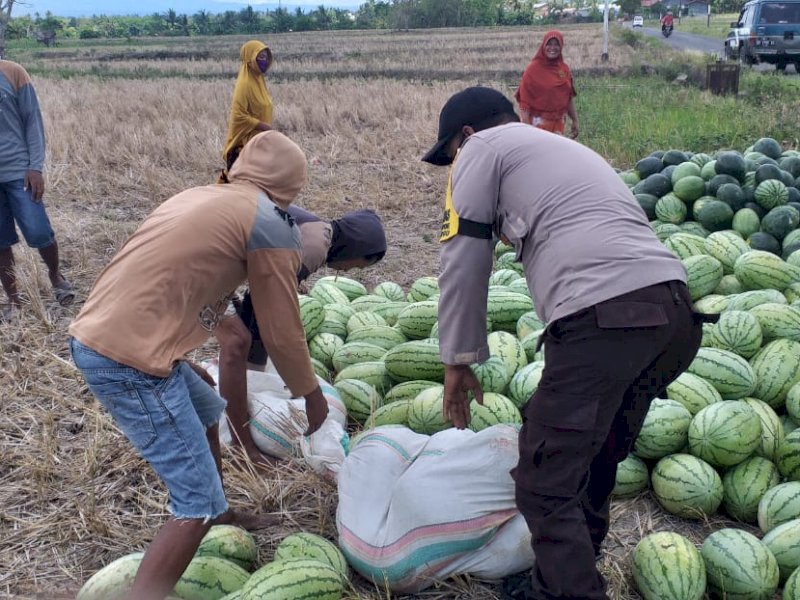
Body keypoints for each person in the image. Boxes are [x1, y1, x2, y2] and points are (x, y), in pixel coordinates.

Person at [422, 86, 710, 600]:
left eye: (449, 157)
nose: (452, 167)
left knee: (543, 479)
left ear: (465, 136)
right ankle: (559, 580)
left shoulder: (481, 148)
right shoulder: (561, 148)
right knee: (593, 457)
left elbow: (464, 252)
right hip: (674, 317)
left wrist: (457, 358)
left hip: (606, 320)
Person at [69, 131, 329, 600]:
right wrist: (309, 393)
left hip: (103, 336)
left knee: (208, 405)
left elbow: (182, 271)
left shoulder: (204, 197)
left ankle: (221, 515)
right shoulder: (267, 221)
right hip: (131, 361)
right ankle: (148, 591)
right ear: (291, 185)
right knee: (192, 504)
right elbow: (282, 325)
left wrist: (224, 320)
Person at [219, 205, 387, 467]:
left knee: (242, 340)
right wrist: (308, 391)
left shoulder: (316, 230)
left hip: (219, 252)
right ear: (358, 248)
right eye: (359, 266)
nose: (348, 272)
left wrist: (256, 361)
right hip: (209, 261)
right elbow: (274, 309)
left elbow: (262, 292)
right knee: (235, 344)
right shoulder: (314, 247)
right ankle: (243, 448)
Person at [0, 59, 74, 318]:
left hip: (19, 171)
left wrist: (35, 167)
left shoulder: (12, 72)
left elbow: (32, 120)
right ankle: (13, 300)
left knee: (39, 231)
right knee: (0, 241)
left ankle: (55, 276)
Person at [218, 40, 274, 183]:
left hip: (259, 139)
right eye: (260, 57)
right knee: (239, 182)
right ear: (250, 59)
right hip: (245, 143)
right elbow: (238, 115)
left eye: (266, 56)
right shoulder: (245, 84)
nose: (265, 60)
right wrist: (262, 125)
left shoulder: (259, 80)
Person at [514, 31, 579, 139]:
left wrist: (575, 120)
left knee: (556, 154)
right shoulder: (532, 70)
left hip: (559, 126)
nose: (552, 48)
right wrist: (526, 131)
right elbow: (524, 104)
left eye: (556, 44)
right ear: (544, 46)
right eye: (549, 44)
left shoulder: (564, 69)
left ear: (561, 46)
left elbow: (568, 97)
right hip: (537, 128)